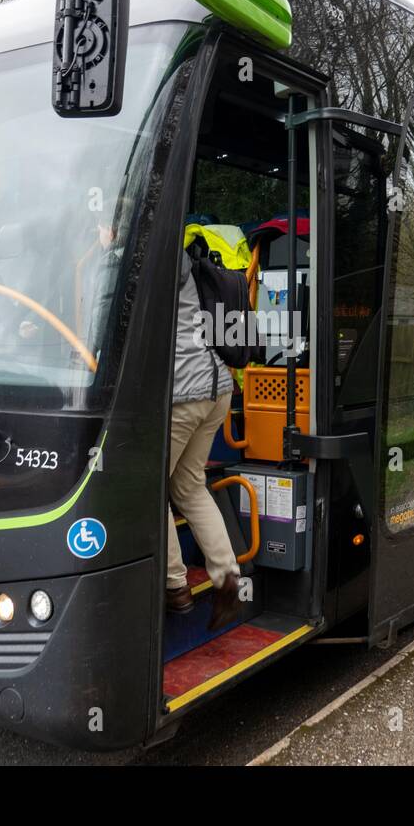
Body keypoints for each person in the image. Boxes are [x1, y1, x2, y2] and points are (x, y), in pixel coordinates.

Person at [166, 248, 241, 631]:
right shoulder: (186, 263)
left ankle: (174, 584)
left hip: (183, 391)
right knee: (190, 485)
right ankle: (227, 575)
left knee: (148, 489)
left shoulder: (148, 253)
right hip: (217, 385)